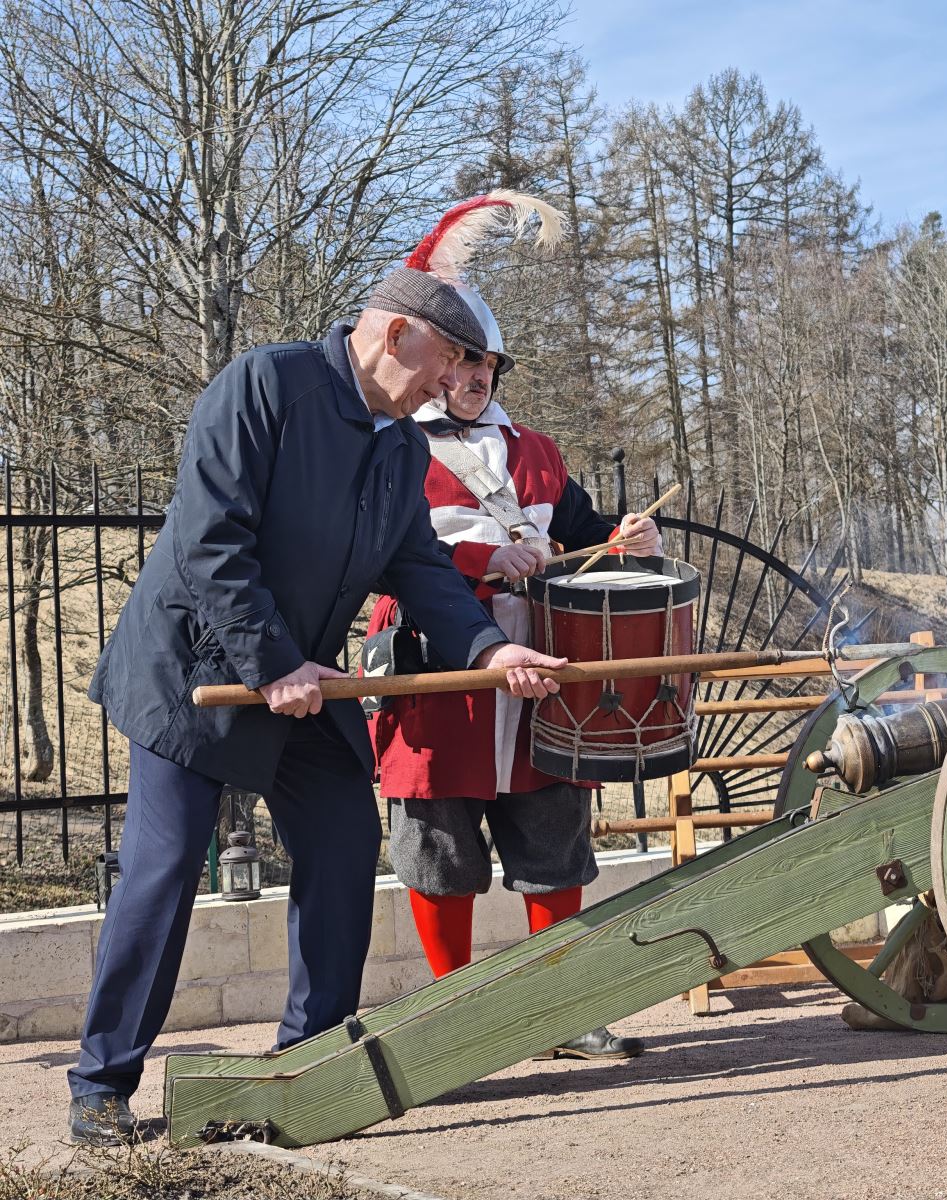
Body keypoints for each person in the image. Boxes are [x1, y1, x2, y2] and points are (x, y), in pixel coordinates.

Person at [68, 234, 567, 1145]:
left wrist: (491, 650)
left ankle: (314, 1061)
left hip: (305, 679)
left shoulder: (396, 448)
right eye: (450, 365)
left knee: (341, 843)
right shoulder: (264, 385)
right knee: (164, 868)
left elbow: (419, 565)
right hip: (197, 672)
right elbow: (209, 542)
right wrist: (273, 665)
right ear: (402, 336)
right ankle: (100, 1086)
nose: (450, 389)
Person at [366, 193, 660, 1062]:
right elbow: (381, 558)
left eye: (487, 362)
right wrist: (478, 568)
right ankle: (457, 1019)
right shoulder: (389, 446)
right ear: (438, 363)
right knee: (440, 849)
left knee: (551, 846)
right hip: (438, 681)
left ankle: (555, 1011)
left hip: (540, 676)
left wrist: (626, 538)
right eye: (461, 362)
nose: (474, 376)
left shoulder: (536, 450)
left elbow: (583, 533)